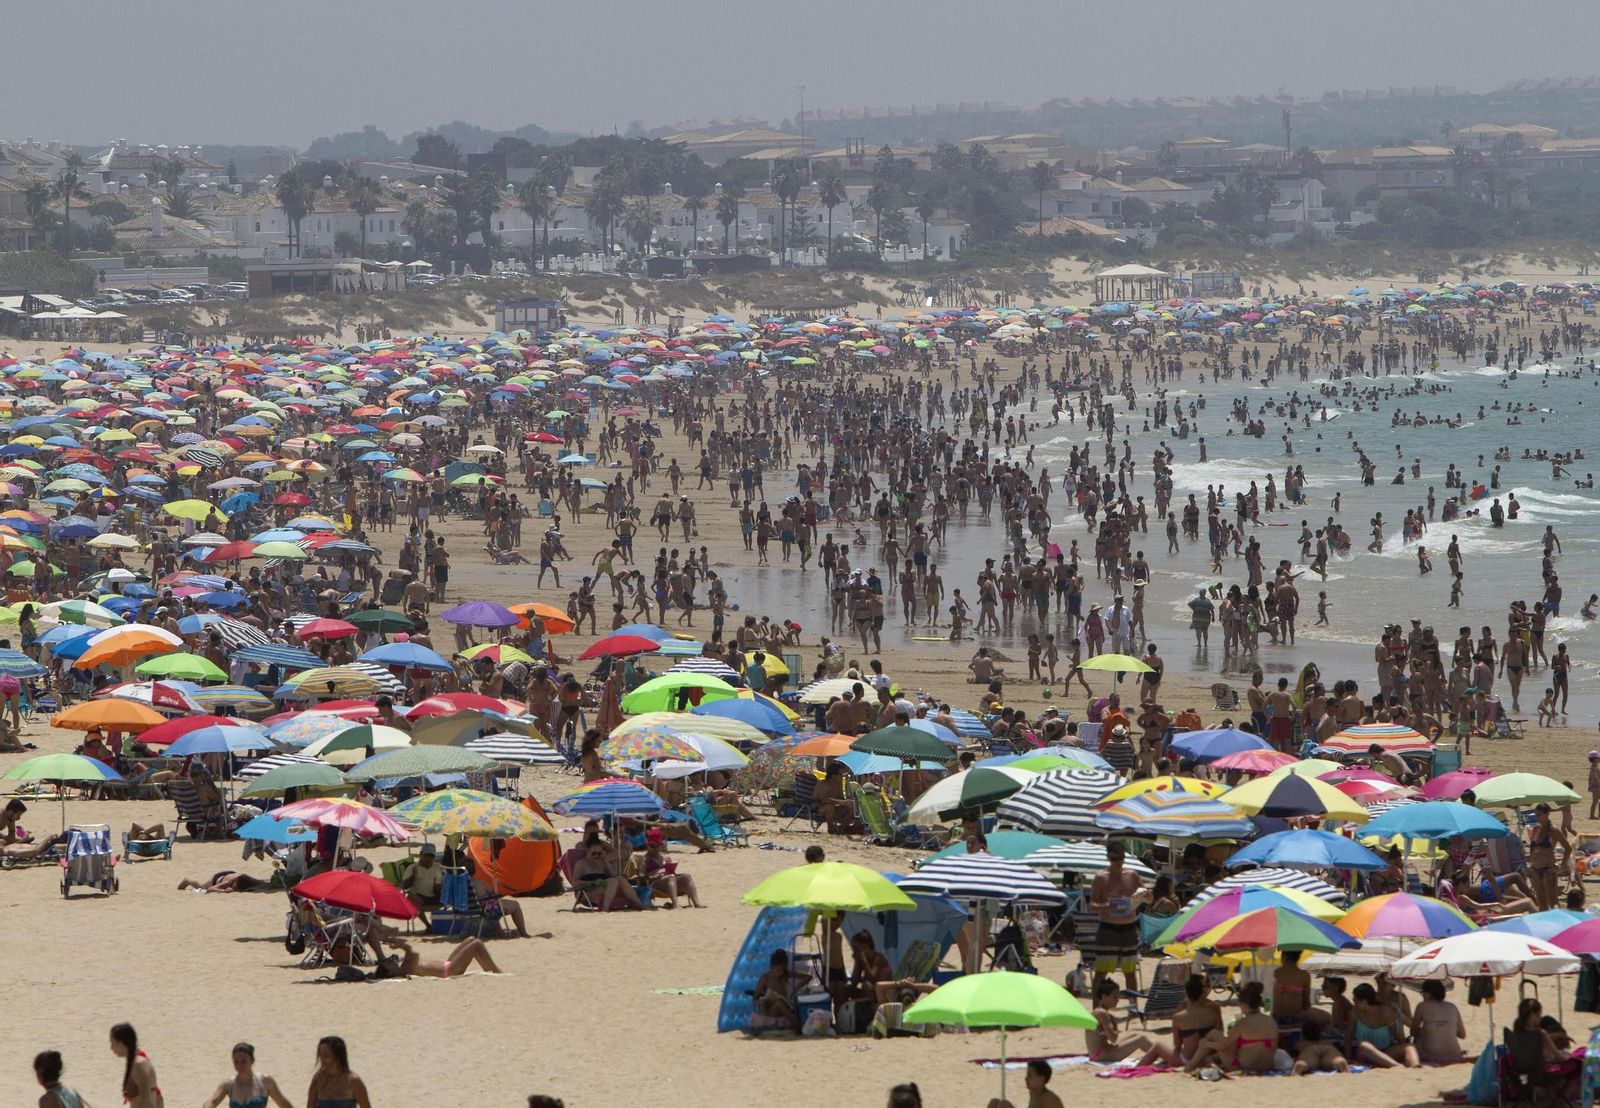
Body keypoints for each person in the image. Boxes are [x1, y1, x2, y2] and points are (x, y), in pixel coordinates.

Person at [1185, 980, 1280, 1073]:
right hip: (1268, 1066)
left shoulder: (1243, 1022)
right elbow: (1274, 1049)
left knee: (1213, 1034)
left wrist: (1207, 1044)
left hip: (1243, 1067)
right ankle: (1196, 1063)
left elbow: (1224, 1045)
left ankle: (1190, 1066)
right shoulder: (1271, 1021)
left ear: (1245, 1006)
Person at [1088, 839, 1143, 993]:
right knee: (1101, 972)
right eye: (1114, 859)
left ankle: (1132, 1007)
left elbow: (1144, 896)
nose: (1118, 862)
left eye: (1120, 858)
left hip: (1128, 928)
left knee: (1130, 971)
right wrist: (1108, 907)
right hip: (1108, 929)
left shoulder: (1132, 875)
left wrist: (1145, 897)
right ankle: (1097, 1008)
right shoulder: (1101, 877)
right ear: (1108, 858)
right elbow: (1091, 906)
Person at [1136, 975, 1225, 1067]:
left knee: (1158, 1046)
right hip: (1208, 1058)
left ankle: (1136, 1068)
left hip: (1187, 1060)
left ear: (1186, 993)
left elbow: (1177, 1045)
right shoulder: (1214, 1010)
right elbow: (1219, 1033)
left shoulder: (1179, 1017)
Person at [1344, 982, 1419, 1068]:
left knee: (1409, 1046)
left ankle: (1415, 1066)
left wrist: (1403, 1048)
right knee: (1364, 1045)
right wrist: (1348, 1057)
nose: (1354, 1002)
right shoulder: (1355, 1012)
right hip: (1365, 1054)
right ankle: (1397, 1066)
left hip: (1385, 1052)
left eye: (1355, 1000)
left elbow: (1398, 1036)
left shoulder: (1385, 1012)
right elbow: (1348, 1036)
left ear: (1364, 1001)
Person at [1087, 979, 1162, 1061]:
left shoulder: (1097, 1011)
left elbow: (1106, 1037)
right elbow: (1113, 1038)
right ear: (1104, 997)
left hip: (1097, 1053)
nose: (1117, 1000)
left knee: (1134, 1035)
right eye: (1114, 997)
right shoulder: (1103, 1014)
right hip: (1102, 1055)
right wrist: (1114, 1023)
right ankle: (1161, 1056)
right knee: (1141, 1039)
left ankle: (1158, 1054)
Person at [201, 1043, 294, 1108]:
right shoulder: (228, 1084)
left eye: (243, 1061)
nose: (239, 1065)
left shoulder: (265, 1081)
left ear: (252, 1060)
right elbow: (212, 1101)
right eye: (236, 1062)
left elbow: (283, 1103)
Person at [380, 935, 501, 978]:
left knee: (471, 939)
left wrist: (397, 944)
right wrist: (400, 945)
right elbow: (414, 954)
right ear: (390, 973)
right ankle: (496, 970)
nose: (391, 962)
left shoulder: (403, 965)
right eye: (389, 965)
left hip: (447, 964)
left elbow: (410, 954)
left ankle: (487, 968)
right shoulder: (404, 971)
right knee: (476, 944)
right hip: (450, 970)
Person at [640, 829, 703, 908]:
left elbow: (673, 873)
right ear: (648, 846)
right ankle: (676, 904)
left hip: (670, 882)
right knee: (670, 877)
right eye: (653, 846)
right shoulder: (645, 859)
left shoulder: (666, 857)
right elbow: (641, 878)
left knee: (686, 876)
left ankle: (696, 903)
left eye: (658, 845)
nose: (656, 848)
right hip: (654, 884)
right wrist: (655, 876)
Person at [306, 1036, 371, 1108]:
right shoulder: (318, 1079)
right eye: (320, 1055)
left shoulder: (353, 1081)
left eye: (326, 1055)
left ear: (338, 1056)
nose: (322, 1059)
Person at [1410, 980, 1466, 1063]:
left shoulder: (1422, 1006)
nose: (1422, 996)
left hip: (1433, 1055)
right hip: (1455, 1054)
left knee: (1421, 1031)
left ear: (1428, 994)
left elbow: (1413, 1032)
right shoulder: (1452, 1006)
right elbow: (1462, 1035)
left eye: (1423, 993)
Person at [753, 949, 811, 1029]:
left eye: (782, 970)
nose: (780, 973)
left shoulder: (786, 974)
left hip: (785, 1006)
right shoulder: (765, 979)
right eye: (778, 970)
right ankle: (799, 1025)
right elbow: (754, 999)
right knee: (778, 1003)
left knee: (788, 1004)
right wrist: (761, 1002)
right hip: (771, 1009)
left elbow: (808, 977)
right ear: (772, 967)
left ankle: (795, 1024)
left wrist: (796, 988)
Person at [109, 1023, 161, 1108]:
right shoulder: (136, 1062)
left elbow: (146, 1099)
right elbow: (157, 1096)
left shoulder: (138, 1064)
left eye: (113, 1043)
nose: (111, 1047)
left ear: (121, 1043)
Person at [986, 1060, 1063, 1108]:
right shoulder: (1034, 1093)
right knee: (994, 1102)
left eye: (1030, 1076)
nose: (1026, 1078)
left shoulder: (1049, 1098)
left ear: (1041, 1079)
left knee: (1003, 1105)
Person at [400, 843, 444, 922]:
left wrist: (440, 887)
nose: (429, 858)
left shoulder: (439, 867)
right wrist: (413, 877)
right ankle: (427, 925)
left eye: (431, 856)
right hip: (420, 897)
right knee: (410, 897)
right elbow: (404, 886)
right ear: (421, 854)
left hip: (437, 896)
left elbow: (447, 884)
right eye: (427, 855)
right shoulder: (412, 867)